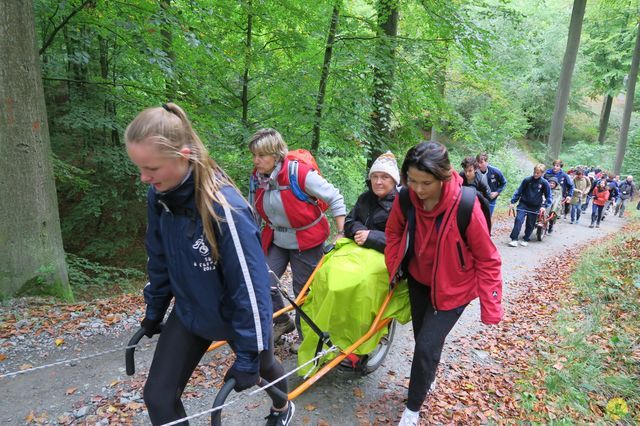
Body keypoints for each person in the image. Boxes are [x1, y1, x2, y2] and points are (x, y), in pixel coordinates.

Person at [125, 104, 294, 425]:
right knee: (158, 398)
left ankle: (282, 408)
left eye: (152, 168)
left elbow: (250, 287)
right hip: (191, 311)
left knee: (263, 368)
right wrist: (154, 311)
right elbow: (159, 259)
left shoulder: (225, 208)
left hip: (236, 314)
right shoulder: (159, 196)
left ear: (183, 155)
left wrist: (248, 354)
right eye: (140, 168)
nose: (144, 177)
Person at [385, 141, 503, 426]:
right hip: (419, 280)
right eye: (412, 181)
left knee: (425, 346)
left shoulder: (466, 205)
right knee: (423, 339)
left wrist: (491, 307)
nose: (418, 189)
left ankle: (412, 409)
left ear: (444, 176)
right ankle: (429, 377)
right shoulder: (405, 198)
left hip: (454, 289)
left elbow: (488, 259)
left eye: (426, 183)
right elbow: (393, 232)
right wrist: (395, 267)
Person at [248, 129, 346, 350]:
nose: (256, 160)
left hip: (307, 240)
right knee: (262, 282)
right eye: (254, 155)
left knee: (304, 292)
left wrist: (341, 233)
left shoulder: (298, 173)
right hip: (276, 238)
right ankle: (282, 322)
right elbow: (253, 210)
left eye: (261, 155)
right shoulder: (258, 177)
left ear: (276, 154)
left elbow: (335, 197)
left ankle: (307, 339)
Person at [344, 151, 400, 253]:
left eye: (385, 177)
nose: (378, 182)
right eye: (375, 176)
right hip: (357, 251)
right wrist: (360, 231)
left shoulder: (402, 204)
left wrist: (371, 237)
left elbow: (402, 241)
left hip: (385, 259)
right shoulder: (365, 198)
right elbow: (349, 221)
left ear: (394, 181)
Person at [508, 164, 552, 247]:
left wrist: (544, 206)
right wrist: (513, 202)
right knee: (518, 220)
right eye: (535, 172)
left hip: (535, 206)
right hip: (523, 204)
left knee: (530, 223)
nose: (535, 174)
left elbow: (549, 196)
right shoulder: (527, 180)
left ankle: (526, 238)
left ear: (542, 173)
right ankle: (514, 239)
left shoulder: (544, 183)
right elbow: (519, 191)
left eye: (538, 173)